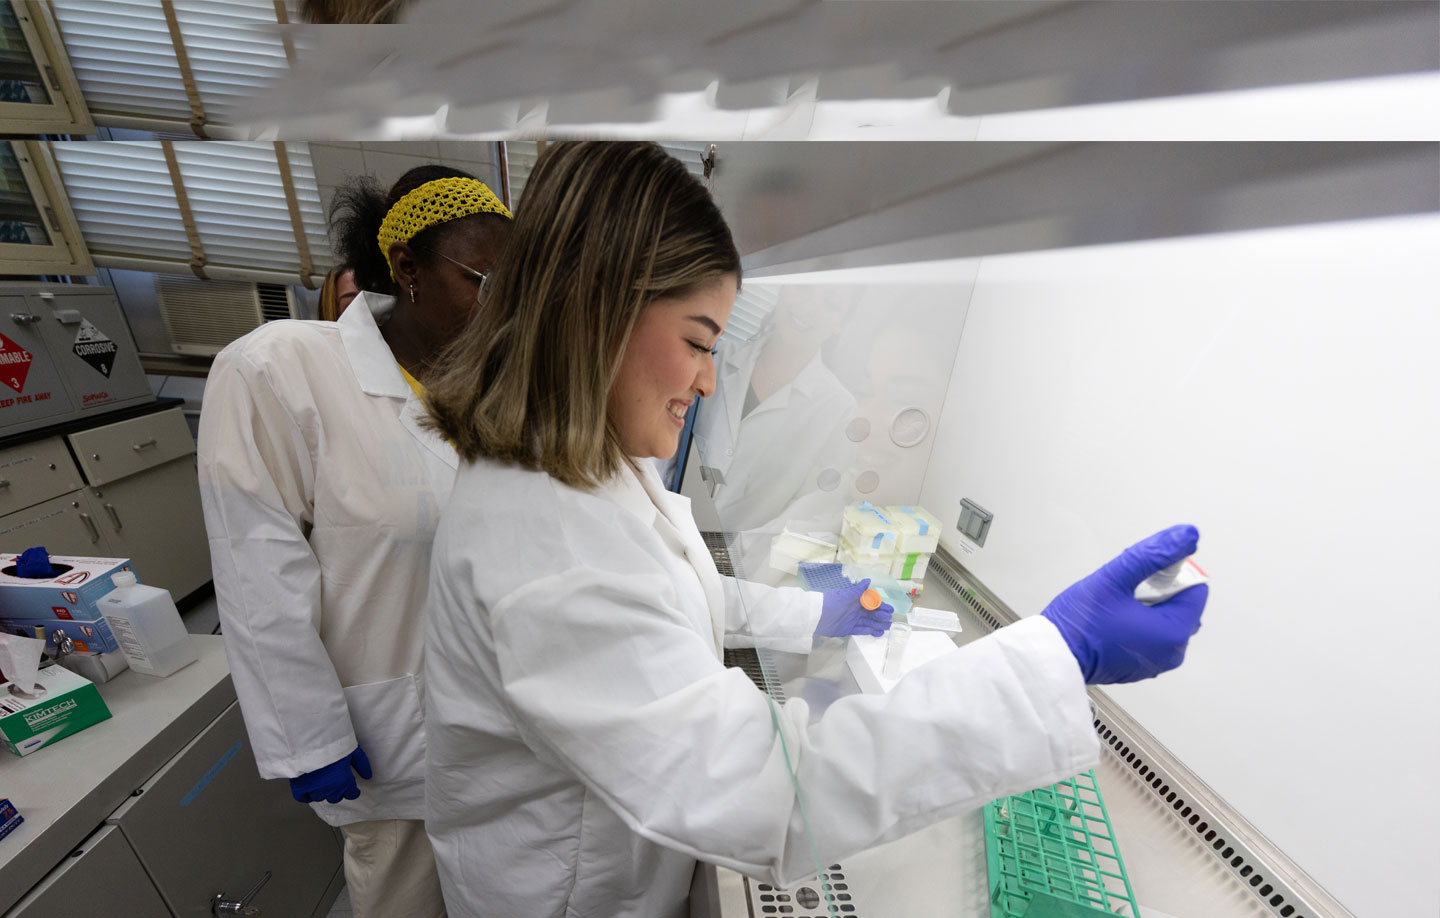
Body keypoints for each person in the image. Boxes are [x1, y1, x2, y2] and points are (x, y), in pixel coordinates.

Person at [420, 142, 1207, 918]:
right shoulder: (546, 540)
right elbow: (761, 792)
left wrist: (813, 613)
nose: (706, 379)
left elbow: (665, 594)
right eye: (696, 342)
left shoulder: (589, 464)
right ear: (592, 312)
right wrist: (1051, 658)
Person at [197, 165, 512, 918]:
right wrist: (308, 734)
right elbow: (256, 574)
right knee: (406, 895)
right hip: (391, 735)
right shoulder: (280, 368)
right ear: (406, 269)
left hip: (509, 730)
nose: (510, 312)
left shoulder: (500, 383)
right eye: (487, 283)